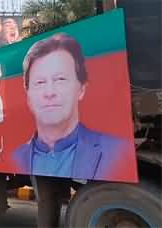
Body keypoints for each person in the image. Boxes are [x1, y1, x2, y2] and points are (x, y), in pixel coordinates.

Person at [12, 33, 134, 227]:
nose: (49, 92)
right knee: (46, 201)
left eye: (60, 79)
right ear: (28, 95)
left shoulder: (116, 152)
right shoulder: (16, 156)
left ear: (81, 88)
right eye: (40, 82)